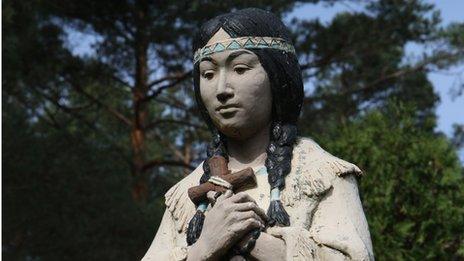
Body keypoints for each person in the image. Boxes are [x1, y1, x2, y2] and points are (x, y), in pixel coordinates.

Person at [143, 8, 373, 261]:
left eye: (240, 69)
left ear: (277, 77)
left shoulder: (321, 176)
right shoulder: (184, 197)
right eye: (208, 74)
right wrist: (203, 247)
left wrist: (249, 238)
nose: (221, 89)